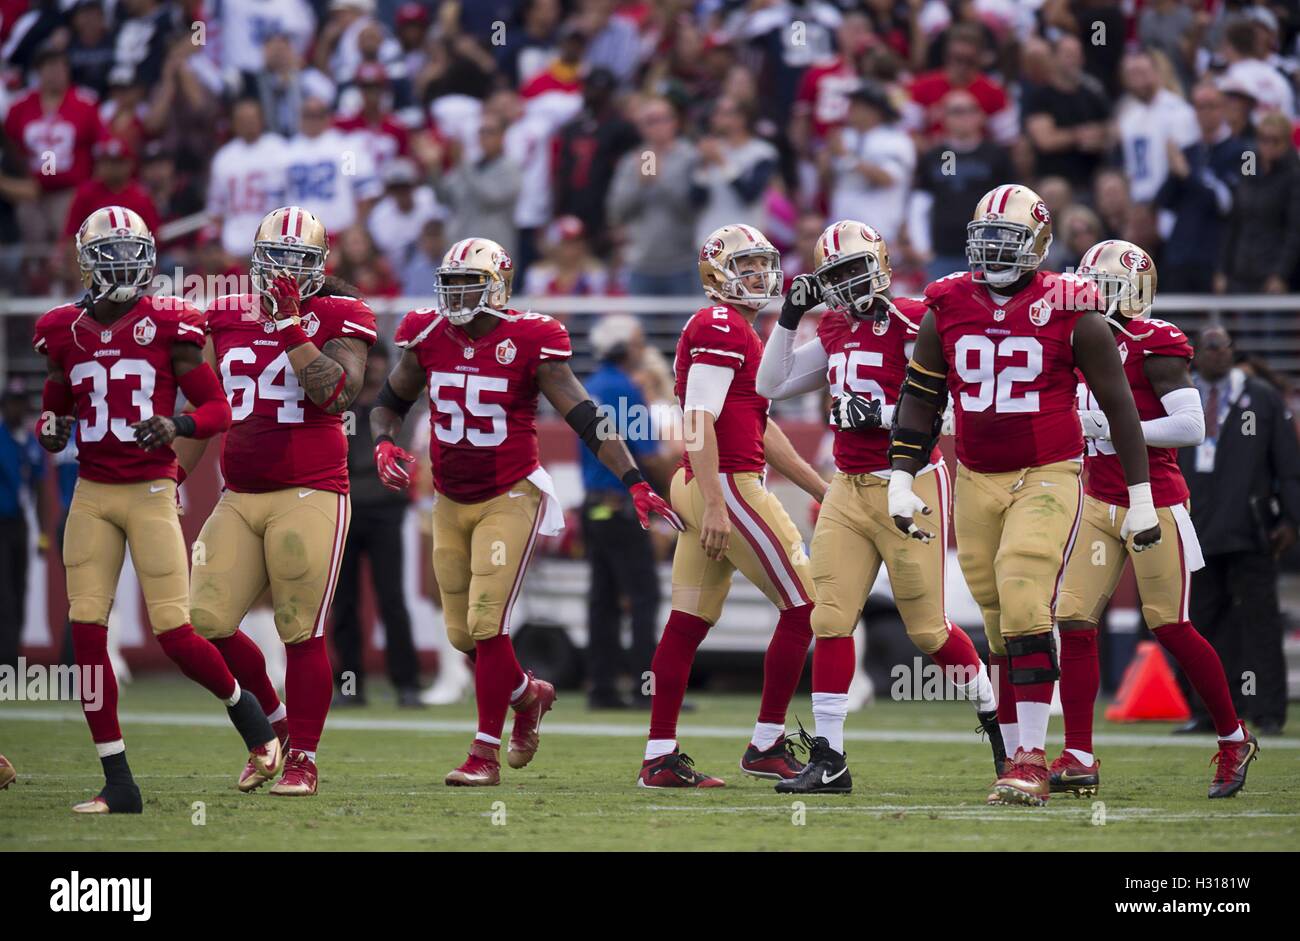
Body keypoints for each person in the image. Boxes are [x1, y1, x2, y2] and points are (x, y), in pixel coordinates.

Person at [887, 184, 1163, 807]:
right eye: (984, 241)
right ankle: (1014, 757)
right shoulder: (946, 303)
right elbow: (922, 396)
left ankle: (1034, 759)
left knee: (1023, 590)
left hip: (1048, 471)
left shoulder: (1073, 306)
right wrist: (901, 477)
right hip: (977, 477)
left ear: (1038, 246)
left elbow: (1120, 408)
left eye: (1006, 242)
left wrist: (1141, 496)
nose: (992, 253)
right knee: (994, 619)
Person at [370, 236, 681, 787]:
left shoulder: (532, 338)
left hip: (511, 495)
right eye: (452, 284)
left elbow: (587, 416)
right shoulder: (425, 335)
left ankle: (483, 753)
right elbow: (390, 403)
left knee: (488, 624)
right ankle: (528, 696)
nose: (458, 296)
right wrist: (384, 442)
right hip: (449, 498)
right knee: (464, 636)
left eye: (470, 284)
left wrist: (633, 479)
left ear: (497, 287)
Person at [34, 205, 277, 814]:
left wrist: (177, 423)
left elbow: (220, 410)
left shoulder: (172, 323)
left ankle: (253, 724)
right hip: (91, 492)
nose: (120, 264)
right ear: (88, 260)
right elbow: (55, 404)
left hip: (148, 492)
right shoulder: (62, 328)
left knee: (175, 633)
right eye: (108, 252)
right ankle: (119, 784)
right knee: (86, 635)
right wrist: (53, 428)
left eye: (129, 251)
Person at [756, 220, 1002, 794]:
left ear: (881, 262)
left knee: (928, 631)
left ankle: (994, 719)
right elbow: (772, 383)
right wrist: (790, 316)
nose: (847, 282)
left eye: (854, 268)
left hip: (909, 482)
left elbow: (963, 406)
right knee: (829, 618)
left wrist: (885, 417)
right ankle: (831, 756)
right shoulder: (837, 325)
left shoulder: (918, 318)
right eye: (834, 274)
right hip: (846, 486)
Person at [178, 206, 377, 798]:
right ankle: (276, 723)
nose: (286, 271)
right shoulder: (226, 313)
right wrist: (170, 481)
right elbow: (210, 412)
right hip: (239, 494)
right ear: (255, 261)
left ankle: (305, 762)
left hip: (311, 490)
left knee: (300, 629)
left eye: (300, 261)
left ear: (321, 266)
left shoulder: (343, 313)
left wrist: (292, 326)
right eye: (276, 259)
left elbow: (336, 392)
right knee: (204, 622)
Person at [1056, 241, 1258, 799]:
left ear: (1136, 292)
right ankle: (1078, 754)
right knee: (1073, 619)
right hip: (1098, 501)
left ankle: (1233, 737)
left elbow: (1191, 427)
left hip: (1155, 501)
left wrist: (1113, 431)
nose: (1096, 294)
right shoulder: (1077, 338)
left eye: (1108, 285)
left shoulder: (1154, 341)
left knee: (1169, 624)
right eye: (1090, 282)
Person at [638, 224, 829, 789]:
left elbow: (760, 428)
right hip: (723, 481)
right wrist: (718, 504)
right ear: (717, 274)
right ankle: (767, 742)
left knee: (688, 621)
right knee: (805, 606)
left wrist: (820, 488)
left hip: (713, 480)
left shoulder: (745, 330)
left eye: (760, 265)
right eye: (744, 266)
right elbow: (697, 420)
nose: (757, 276)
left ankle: (659, 756)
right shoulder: (719, 322)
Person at [1178, 326, 1300, 736]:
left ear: (1231, 351)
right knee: (1201, 623)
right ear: (1197, 353)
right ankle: (1208, 711)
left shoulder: (1261, 398)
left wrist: (1290, 520)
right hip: (1195, 526)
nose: (1216, 354)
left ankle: (1267, 711)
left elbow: (1288, 465)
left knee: (1259, 620)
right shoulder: (1179, 396)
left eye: (1222, 347)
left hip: (1250, 528)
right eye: (1208, 348)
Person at [581, 314, 665, 710]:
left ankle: (602, 687)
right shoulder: (626, 390)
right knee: (644, 596)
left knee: (602, 598)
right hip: (622, 507)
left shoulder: (590, 387)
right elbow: (647, 453)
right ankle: (646, 688)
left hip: (594, 507)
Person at [330, 343, 421, 708]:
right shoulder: (344, 405)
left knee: (392, 599)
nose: (377, 369)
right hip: (349, 508)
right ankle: (350, 687)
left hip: (385, 509)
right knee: (345, 603)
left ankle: (407, 683)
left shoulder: (394, 407)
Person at [606, 97, 699, 297]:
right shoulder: (632, 161)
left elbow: (692, 209)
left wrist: (660, 182)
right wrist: (640, 186)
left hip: (682, 262)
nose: (658, 127)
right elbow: (616, 211)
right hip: (641, 263)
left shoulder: (690, 156)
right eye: (650, 121)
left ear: (675, 122)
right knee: (641, 328)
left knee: (683, 327)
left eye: (663, 119)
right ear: (641, 127)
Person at [823, 83, 914, 245]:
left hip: (880, 232)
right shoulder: (845, 136)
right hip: (841, 231)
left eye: (857, 105)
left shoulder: (895, 140)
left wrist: (847, 158)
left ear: (874, 111)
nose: (850, 109)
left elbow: (888, 178)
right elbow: (826, 181)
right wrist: (825, 157)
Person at [0, 385, 47, 670]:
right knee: (3, 592)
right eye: (11, 403)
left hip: (19, 523)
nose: (16, 409)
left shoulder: (30, 443)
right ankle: (4, 658)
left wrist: (42, 533)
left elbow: (40, 488)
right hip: (0, 523)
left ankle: (12, 656)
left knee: (18, 588)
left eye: (21, 403)